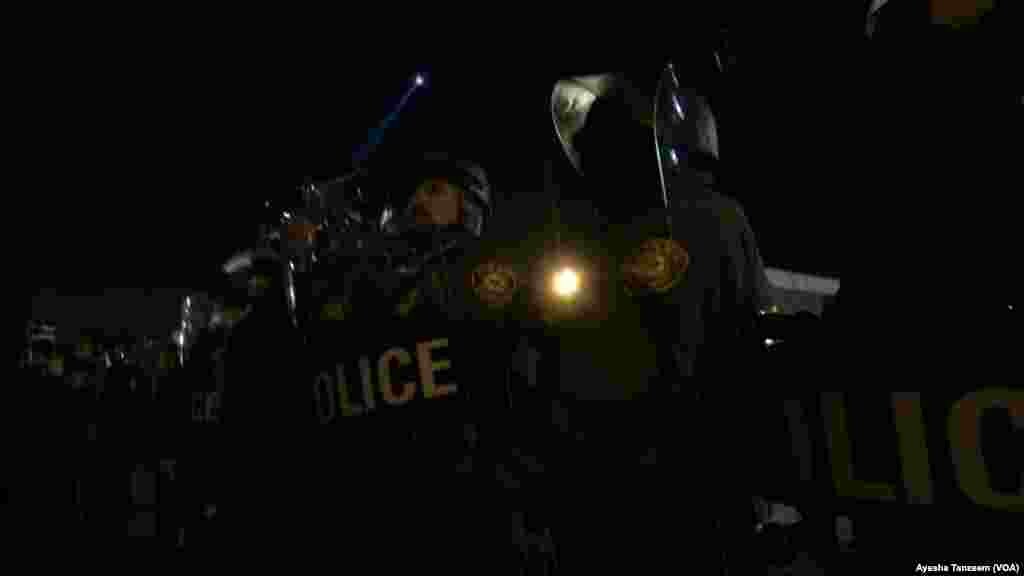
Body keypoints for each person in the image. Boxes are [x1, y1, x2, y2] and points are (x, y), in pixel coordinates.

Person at [526, 49, 770, 572]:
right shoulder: (584, 232)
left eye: (611, 129)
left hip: (686, 474)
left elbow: (744, 338)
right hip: (614, 479)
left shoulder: (714, 218)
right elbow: (556, 352)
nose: (599, 142)